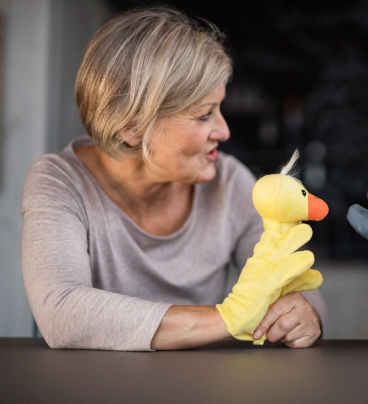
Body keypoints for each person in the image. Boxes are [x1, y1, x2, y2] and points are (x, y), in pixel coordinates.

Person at [20, 7, 325, 351]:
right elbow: (61, 313)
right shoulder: (61, 182)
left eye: (220, 109)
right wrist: (228, 318)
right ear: (133, 127)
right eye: (204, 115)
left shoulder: (229, 182)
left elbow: (302, 288)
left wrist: (303, 313)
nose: (224, 131)